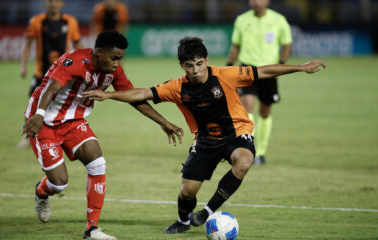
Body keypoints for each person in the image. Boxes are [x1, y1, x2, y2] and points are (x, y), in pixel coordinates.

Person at [82, 37, 326, 234]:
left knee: (244, 161)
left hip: (237, 134)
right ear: (182, 66)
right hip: (205, 140)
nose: (196, 70)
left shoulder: (225, 75)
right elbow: (143, 92)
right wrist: (109, 95)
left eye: (199, 63)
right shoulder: (177, 87)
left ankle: (208, 212)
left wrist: (301, 67)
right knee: (187, 192)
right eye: (189, 65)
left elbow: (263, 71)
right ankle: (184, 220)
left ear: (206, 60)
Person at [21, 30, 183, 240]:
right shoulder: (75, 61)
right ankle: (42, 192)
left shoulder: (113, 72)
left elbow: (133, 97)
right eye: (114, 58)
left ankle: (91, 229)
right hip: (44, 122)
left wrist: (163, 122)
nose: (117, 64)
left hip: (74, 122)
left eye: (119, 59)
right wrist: (39, 115)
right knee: (59, 183)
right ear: (98, 52)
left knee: (98, 164)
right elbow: (52, 87)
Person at [226, 0, 292, 164]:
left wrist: (281, 64)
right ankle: (249, 147)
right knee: (247, 106)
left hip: (269, 70)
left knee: (265, 111)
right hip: (247, 70)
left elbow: (287, 44)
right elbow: (236, 45)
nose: (256, 2)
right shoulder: (242, 20)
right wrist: (229, 66)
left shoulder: (279, 20)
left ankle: (261, 152)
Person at [17, 0, 83, 149]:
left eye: (56, 1)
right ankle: (28, 137)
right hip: (41, 72)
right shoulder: (36, 22)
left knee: (63, 105)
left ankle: (61, 137)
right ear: (45, 3)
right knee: (33, 104)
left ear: (62, 3)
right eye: (50, 1)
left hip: (64, 74)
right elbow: (27, 44)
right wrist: (23, 66)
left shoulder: (70, 22)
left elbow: (78, 45)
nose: (53, 4)